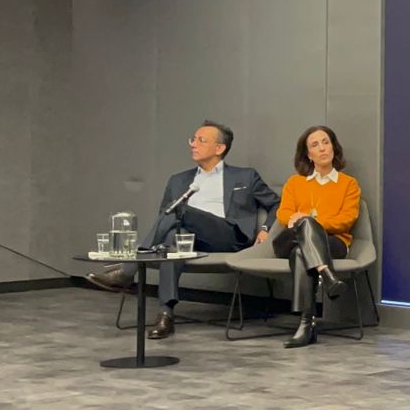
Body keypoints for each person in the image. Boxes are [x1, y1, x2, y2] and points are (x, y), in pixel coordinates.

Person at [86, 121, 280, 340]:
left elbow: (277, 204)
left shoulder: (245, 177)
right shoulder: (178, 180)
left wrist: (265, 229)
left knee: (179, 210)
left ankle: (128, 270)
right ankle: (165, 315)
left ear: (219, 148)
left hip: (227, 236)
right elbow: (164, 218)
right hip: (189, 240)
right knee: (171, 241)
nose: (193, 144)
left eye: (201, 140)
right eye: (193, 139)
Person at [272, 125, 362, 348]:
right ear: (308, 154)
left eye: (326, 142)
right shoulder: (295, 182)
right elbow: (283, 213)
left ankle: (306, 325)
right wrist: (301, 221)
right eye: (315, 145)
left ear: (334, 147)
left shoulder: (348, 184)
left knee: (301, 252)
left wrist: (312, 222)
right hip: (290, 238)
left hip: (334, 242)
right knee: (303, 229)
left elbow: (346, 220)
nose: (322, 148)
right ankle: (327, 275)